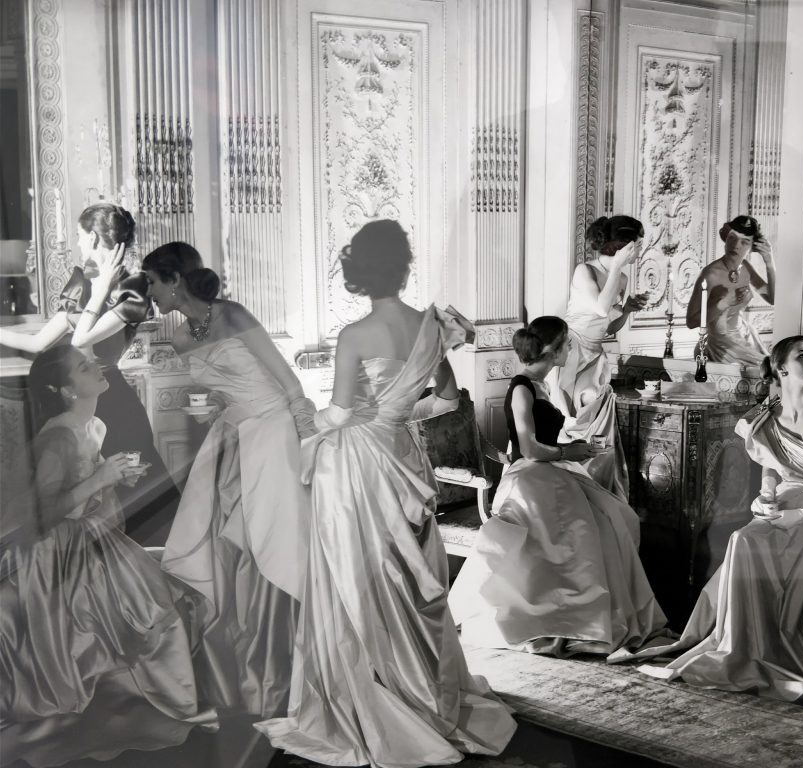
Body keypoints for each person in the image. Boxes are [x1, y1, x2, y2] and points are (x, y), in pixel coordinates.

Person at [255, 220, 516, 767]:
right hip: (402, 457)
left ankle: (372, 690)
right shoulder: (429, 328)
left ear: (359, 273)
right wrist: (394, 412)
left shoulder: (354, 335)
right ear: (403, 266)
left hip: (355, 466)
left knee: (358, 577)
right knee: (406, 576)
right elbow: (447, 399)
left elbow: (339, 414)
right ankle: (422, 688)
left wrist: (298, 418)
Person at [609, 336, 803, 703]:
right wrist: (765, 495)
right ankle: (742, 644)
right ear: (781, 368)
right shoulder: (767, 414)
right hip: (786, 501)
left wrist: (801, 514)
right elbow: (770, 468)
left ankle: (772, 647)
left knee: (758, 545)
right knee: (742, 540)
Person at [1, 345, 215, 767]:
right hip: (55, 552)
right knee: (152, 608)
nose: (97, 367)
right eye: (84, 367)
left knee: (167, 593)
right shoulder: (58, 438)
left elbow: (86, 495)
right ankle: (137, 700)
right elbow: (42, 515)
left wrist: (112, 480)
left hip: (89, 537)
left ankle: (146, 693)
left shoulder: (92, 426)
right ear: (66, 390)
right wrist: (100, 478)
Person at [141, 242, 316, 717]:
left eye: (153, 281)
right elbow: (223, 390)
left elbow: (287, 380)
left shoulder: (232, 314)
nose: (150, 291)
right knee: (232, 549)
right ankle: (251, 665)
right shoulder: (179, 337)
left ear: (174, 280)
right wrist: (217, 407)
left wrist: (307, 438)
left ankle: (292, 666)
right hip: (232, 439)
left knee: (276, 543)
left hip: (275, 432)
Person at [450, 315, 669, 658]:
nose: (570, 349)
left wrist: (576, 448)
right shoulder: (521, 388)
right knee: (586, 527)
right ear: (552, 350)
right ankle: (568, 620)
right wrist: (570, 452)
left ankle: (598, 615)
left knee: (617, 516)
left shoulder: (542, 385)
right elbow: (530, 448)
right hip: (531, 477)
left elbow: (537, 439)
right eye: (567, 343)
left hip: (549, 470)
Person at [0, 203, 179, 539]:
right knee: (76, 494)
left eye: (80, 236)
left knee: (139, 495)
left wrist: (100, 291)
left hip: (111, 398)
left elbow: (82, 337)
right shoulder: (80, 280)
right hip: (74, 402)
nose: (78, 243)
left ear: (95, 239)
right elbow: (39, 343)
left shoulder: (133, 287)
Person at [547, 214, 648, 500]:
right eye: (637, 245)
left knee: (594, 423)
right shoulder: (585, 271)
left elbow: (609, 326)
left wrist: (626, 310)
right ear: (622, 245)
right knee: (570, 419)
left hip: (595, 354)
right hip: (571, 350)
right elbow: (601, 308)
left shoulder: (622, 277)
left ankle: (591, 490)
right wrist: (615, 266)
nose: (639, 252)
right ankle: (563, 488)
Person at [686, 215, 775, 366]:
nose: (736, 245)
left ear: (752, 247)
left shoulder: (746, 268)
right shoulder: (710, 274)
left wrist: (769, 263)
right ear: (726, 237)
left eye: (745, 242)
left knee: (771, 369)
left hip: (744, 336)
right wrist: (724, 303)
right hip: (721, 346)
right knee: (762, 370)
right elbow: (691, 321)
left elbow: (772, 298)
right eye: (732, 237)